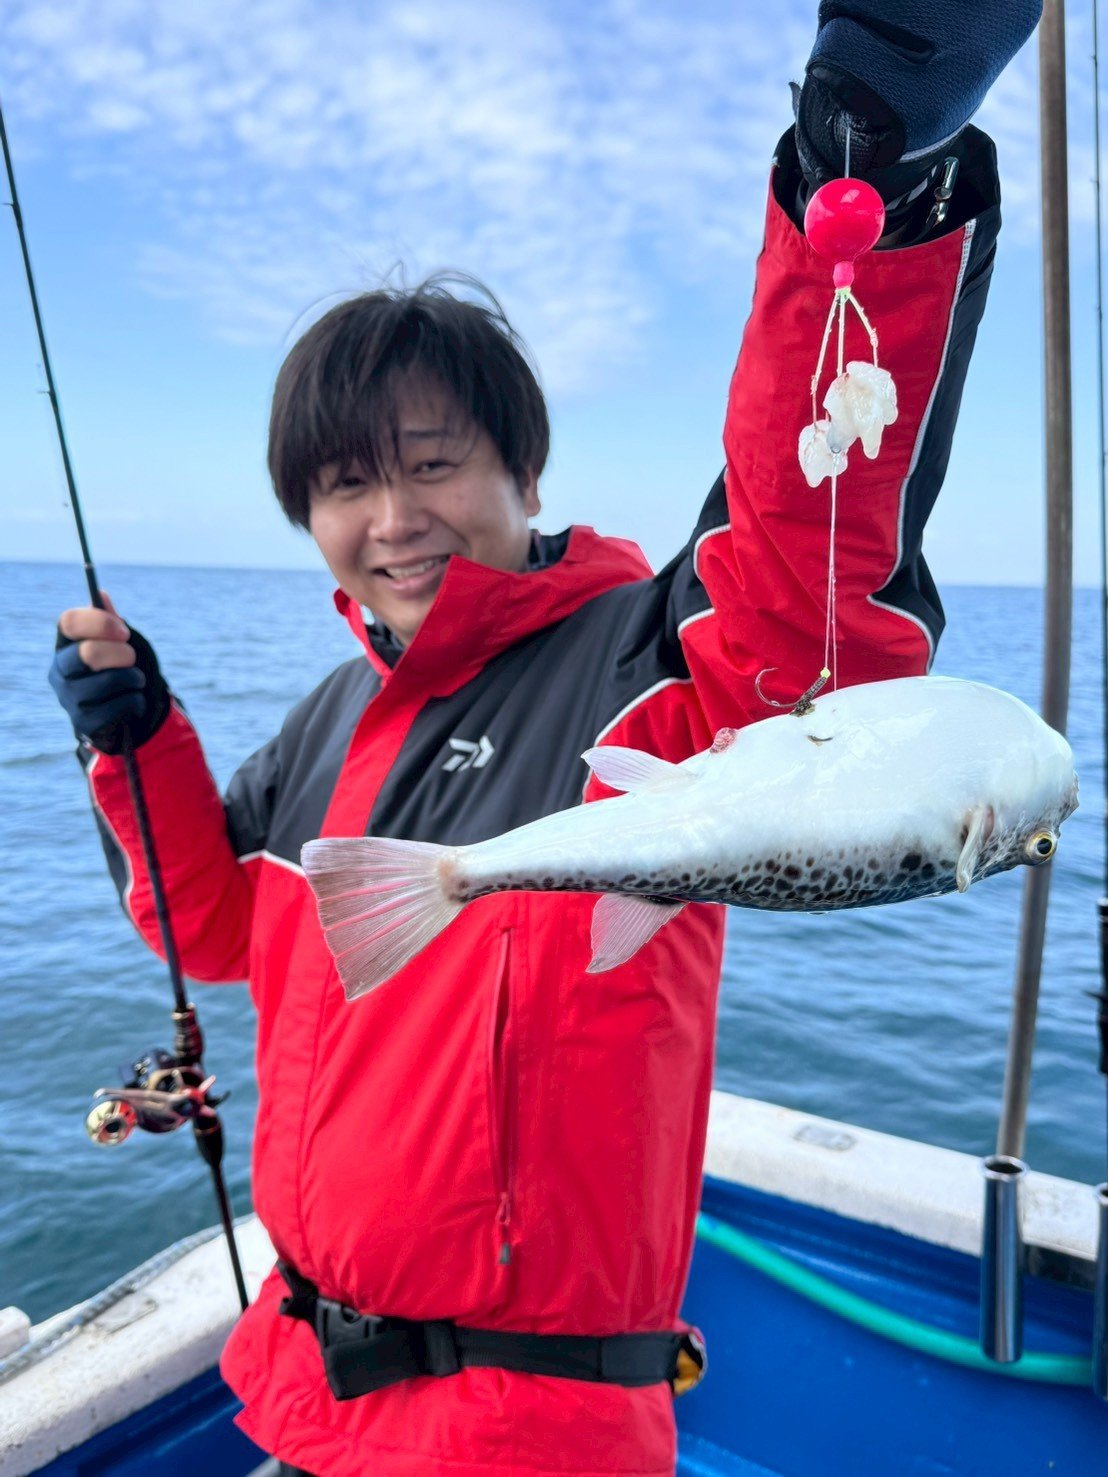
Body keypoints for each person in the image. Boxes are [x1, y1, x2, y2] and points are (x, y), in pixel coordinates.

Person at [49, 6, 1038, 1473]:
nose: (393, 521)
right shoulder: (329, 719)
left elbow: (803, 584)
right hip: (304, 1396)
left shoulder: (652, 665)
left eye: (434, 465)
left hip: (525, 1430)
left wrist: (870, 174)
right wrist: (138, 742)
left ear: (524, 469)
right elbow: (207, 927)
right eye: (344, 486)